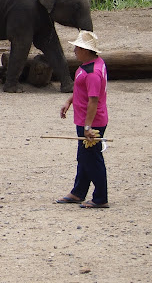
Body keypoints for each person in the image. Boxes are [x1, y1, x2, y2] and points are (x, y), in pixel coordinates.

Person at [55, 30, 109, 208]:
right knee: (84, 157)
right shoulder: (88, 65)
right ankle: (78, 192)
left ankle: (101, 198)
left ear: (86, 50)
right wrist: (69, 101)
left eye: (77, 48)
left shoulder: (93, 72)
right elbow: (81, 91)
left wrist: (87, 126)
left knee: (92, 158)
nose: (75, 51)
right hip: (84, 119)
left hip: (92, 121)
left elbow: (93, 100)